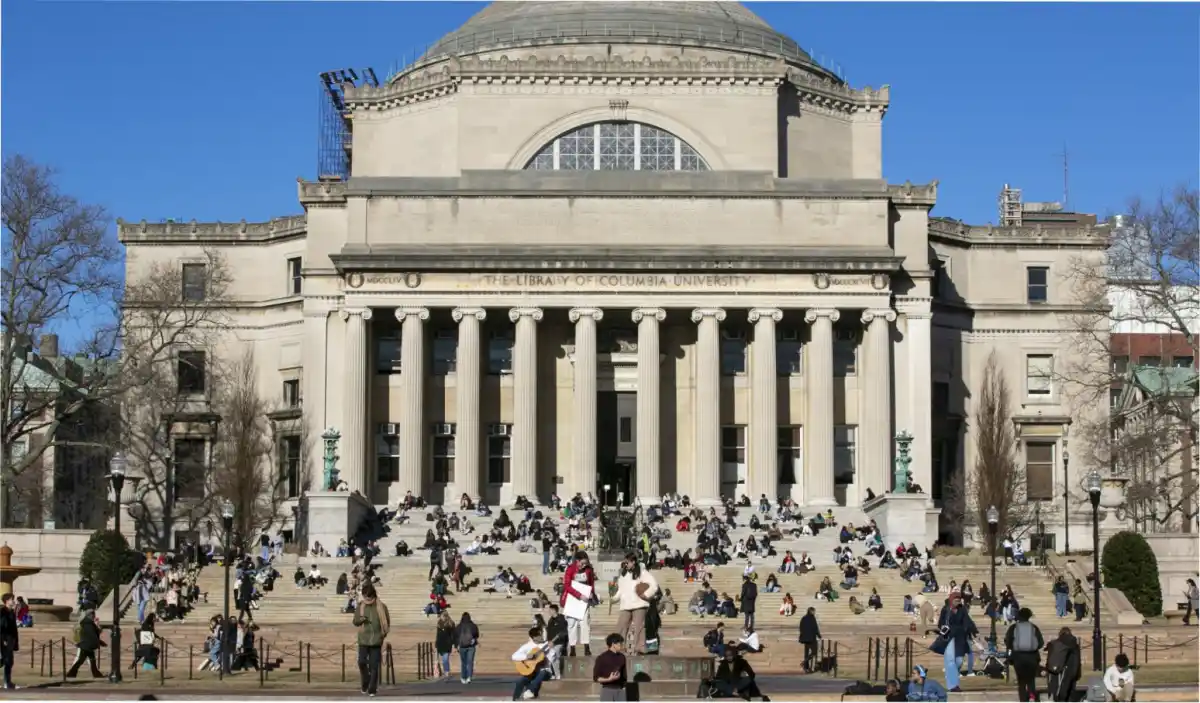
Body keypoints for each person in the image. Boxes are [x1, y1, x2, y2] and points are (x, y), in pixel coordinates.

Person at [614, 552, 658, 655]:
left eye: (627, 562)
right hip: (625, 604)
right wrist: (614, 598)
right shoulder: (623, 574)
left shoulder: (642, 572)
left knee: (639, 627)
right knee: (621, 625)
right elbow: (621, 590)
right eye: (625, 562)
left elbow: (654, 585)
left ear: (633, 562)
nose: (625, 564)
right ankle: (618, 647)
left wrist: (646, 595)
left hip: (639, 604)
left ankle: (640, 648)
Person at [353, 584, 391, 696]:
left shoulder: (381, 607)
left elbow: (386, 623)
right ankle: (366, 681)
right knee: (361, 662)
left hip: (376, 640)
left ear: (373, 596)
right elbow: (355, 621)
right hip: (363, 639)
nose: (367, 600)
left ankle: (372, 689)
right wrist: (361, 620)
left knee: (374, 665)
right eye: (365, 597)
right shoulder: (360, 606)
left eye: (368, 598)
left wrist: (382, 635)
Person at [935, 593, 977, 693]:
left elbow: (968, 621)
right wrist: (943, 629)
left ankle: (953, 676)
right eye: (956, 600)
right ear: (951, 600)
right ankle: (953, 686)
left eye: (959, 600)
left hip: (959, 637)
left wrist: (973, 630)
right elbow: (940, 623)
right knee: (950, 661)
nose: (958, 602)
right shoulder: (946, 609)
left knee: (959, 661)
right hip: (949, 637)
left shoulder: (962, 610)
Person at [1004, 607, 1044, 703]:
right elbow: (1041, 643)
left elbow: (1008, 641)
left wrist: (1011, 650)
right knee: (1031, 680)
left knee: (1021, 681)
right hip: (1032, 656)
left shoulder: (1013, 627)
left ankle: (1023, 700)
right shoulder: (1034, 627)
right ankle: (1032, 696)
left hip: (1018, 657)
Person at [561, 551, 596, 657]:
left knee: (585, 623)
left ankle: (586, 646)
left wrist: (591, 594)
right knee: (572, 624)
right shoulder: (570, 569)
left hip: (584, 601)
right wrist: (578, 595)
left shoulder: (588, 570)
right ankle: (572, 647)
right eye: (582, 563)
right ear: (577, 561)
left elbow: (591, 583)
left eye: (586, 563)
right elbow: (567, 585)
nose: (584, 565)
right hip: (572, 599)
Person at [511, 626, 551, 701]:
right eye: (539, 635)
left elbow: (553, 658)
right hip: (531, 671)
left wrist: (551, 649)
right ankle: (515, 699)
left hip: (544, 671)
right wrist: (526, 656)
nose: (542, 637)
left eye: (541, 634)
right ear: (534, 637)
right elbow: (514, 656)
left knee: (543, 672)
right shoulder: (527, 646)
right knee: (520, 681)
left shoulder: (546, 645)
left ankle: (530, 690)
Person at [1044, 627, 1081, 702]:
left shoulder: (1055, 643)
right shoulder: (1074, 645)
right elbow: (1077, 660)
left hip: (1056, 671)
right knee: (1070, 694)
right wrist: (1077, 674)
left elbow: (1049, 659)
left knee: (1058, 693)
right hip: (1071, 671)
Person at [66, 610, 105, 679]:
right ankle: (71, 674)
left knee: (90, 661)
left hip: (87, 645)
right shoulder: (88, 624)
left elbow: (95, 633)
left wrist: (97, 625)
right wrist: (100, 642)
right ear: (89, 615)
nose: (94, 616)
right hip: (86, 645)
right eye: (93, 614)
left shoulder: (89, 623)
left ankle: (96, 674)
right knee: (81, 661)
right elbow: (92, 635)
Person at [592, 633, 628, 702]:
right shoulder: (601, 658)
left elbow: (624, 676)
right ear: (613, 644)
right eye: (619, 643)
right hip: (607, 690)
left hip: (620, 690)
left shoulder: (622, 657)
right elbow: (596, 678)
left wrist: (623, 686)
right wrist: (609, 679)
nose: (621, 645)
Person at [453, 611, 479, 684]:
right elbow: (477, 634)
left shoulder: (459, 626)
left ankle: (463, 677)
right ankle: (469, 677)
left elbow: (455, 637)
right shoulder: (473, 625)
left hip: (462, 646)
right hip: (471, 646)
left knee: (463, 662)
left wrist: (455, 646)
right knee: (470, 662)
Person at [545, 605, 568, 680]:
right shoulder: (551, 620)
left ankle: (558, 675)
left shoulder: (561, 618)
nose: (549, 611)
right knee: (550, 658)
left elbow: (562, 632)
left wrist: (553, 641)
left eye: (550, 610)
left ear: (554, 610)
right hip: (551, 643)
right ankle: (554, 674)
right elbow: (549, 632)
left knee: (555, 657)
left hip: (558, 642)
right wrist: (548, 641)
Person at [0, 593, 18, 690]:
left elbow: (13, 628)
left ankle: (8, 681)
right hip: (5, 641)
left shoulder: (11, 612)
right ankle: (7, 682)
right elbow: (1, 627)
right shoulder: (3, 612)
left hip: (11, 640)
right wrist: (3, 640)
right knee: (5, 661)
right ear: (7, 601)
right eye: (12, 599)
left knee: (9, 662)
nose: (13, 601)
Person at [798, 607, 821, 673]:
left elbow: (801, 627)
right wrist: (819, 635)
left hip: (805, 638)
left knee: (806, 653)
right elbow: (815, 628)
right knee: (814, 652)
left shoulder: (803, 618)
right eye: (813, 611)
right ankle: (804, 662)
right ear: (811, 611)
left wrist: (803, 635)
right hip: (811, 638)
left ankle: (806, 668)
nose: (814, 612)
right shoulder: (812, 618)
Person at [434, 612, 455, 680]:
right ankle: (445, 671)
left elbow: (453, 635)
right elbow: (437, 634)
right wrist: (436, 644)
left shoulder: (451, 624)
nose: (442, 617)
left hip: (447, 644)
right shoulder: (439, 623)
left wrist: (453, 643)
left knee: (445, 659)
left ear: (446, 616)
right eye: (441, 616)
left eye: (443, 616)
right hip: (440, 643)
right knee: (442, 658)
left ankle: (446, 671)